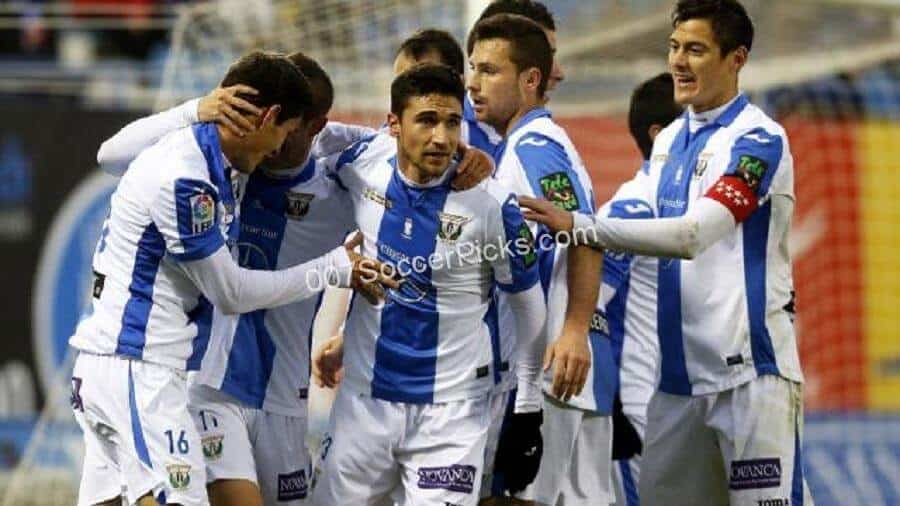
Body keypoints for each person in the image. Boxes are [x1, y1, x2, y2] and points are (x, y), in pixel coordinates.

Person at [93, 51, 493, 506]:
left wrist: (465, 156)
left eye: (289, 131)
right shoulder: (219, 166)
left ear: (314, 127)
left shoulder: (341, 187)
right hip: (209, 387)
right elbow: (110, 154)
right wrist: (199, 108)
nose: (273, 146)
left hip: (286, 399)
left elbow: (400, 159)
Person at [520, 1, 813, 504]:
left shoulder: (760, 141)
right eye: (674, 47)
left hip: (749, 377)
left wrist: (583, 225)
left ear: (736, 58)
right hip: (676, 386)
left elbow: (693, 236)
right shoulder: (670, 139)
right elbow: (628, 221)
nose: (678, 61)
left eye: (696, 49)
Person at [310, 63, 546, 506]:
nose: (441, 137)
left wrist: (529, 405)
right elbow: (305, 136)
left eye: (452, 122)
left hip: (452, 415)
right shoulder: (361, 161)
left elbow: (529, 306)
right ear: (394, 125)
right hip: (364, 402)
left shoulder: (491, 204)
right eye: (426, 120)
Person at [467, 13, 606, 504]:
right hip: (534, 367)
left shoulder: (535, 147)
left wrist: (574, 329)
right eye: (473, 68)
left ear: (530, 80)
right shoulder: (518, 148)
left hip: (545, 368)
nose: (473, 83)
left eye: (489, 71)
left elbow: (585, 233)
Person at [605, 72, 683, 506]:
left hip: (688, 405)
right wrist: (612, 405)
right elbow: (585, 303)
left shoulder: (695, 207)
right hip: (641, 408)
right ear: (659, 134)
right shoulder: (634, 207)